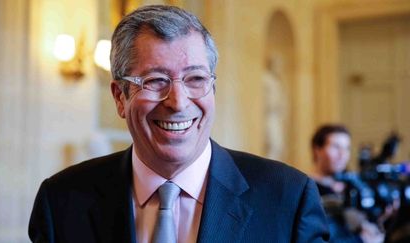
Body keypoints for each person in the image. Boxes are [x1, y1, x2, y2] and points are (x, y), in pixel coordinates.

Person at [29, 5, 329, 243]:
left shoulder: (288, 198)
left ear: (213, 89)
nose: (178, 102)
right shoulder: (62, 201)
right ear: (120, 97)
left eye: (196, 79)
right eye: (155, 80)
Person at [311, 124, 384, 243]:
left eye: (347, 148)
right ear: (317, 149)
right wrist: (360, 240)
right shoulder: (308, 188)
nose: (342, 154)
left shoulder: (355, 186)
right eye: (336, 147)